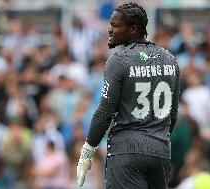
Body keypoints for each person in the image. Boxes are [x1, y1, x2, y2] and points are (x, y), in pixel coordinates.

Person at [76, 2, 180, 189]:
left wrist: (88, 150)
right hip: (160, 153)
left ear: (133, 29)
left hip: (126, 152)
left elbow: (104, 113)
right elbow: (172, 116)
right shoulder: (170, 59)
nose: (109, 30)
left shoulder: (119, 60)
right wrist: (156, 140)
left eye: (115, 25)